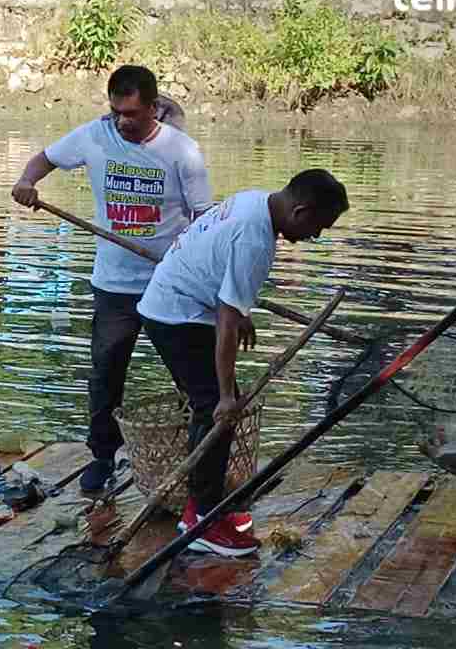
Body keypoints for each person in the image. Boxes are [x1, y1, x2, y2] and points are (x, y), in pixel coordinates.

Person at [11, 65, 214, 494]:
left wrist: (200, 273)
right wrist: (27, 181)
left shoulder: (183, 152)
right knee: (106, 373)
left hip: (168, 284)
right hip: (114, 285)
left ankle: (204, 459)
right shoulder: (94, 136)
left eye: (133, 114)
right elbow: (43, 160)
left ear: (154, 109)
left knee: (191, 377)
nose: (123, 121)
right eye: (116, 111)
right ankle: (102, 456)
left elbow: (203, 222)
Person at [137, 170, 350, 557]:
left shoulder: (256, 198)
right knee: (216, 413)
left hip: (175, 299)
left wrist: (237, 311)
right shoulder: (256, 239)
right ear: (300, 210)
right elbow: (226, 324)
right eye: (318, 227)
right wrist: (224, 395)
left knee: (215, 409)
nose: (315, 237)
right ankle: (201, 519)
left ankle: (205, 505)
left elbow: (219, 267)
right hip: (175, 314)